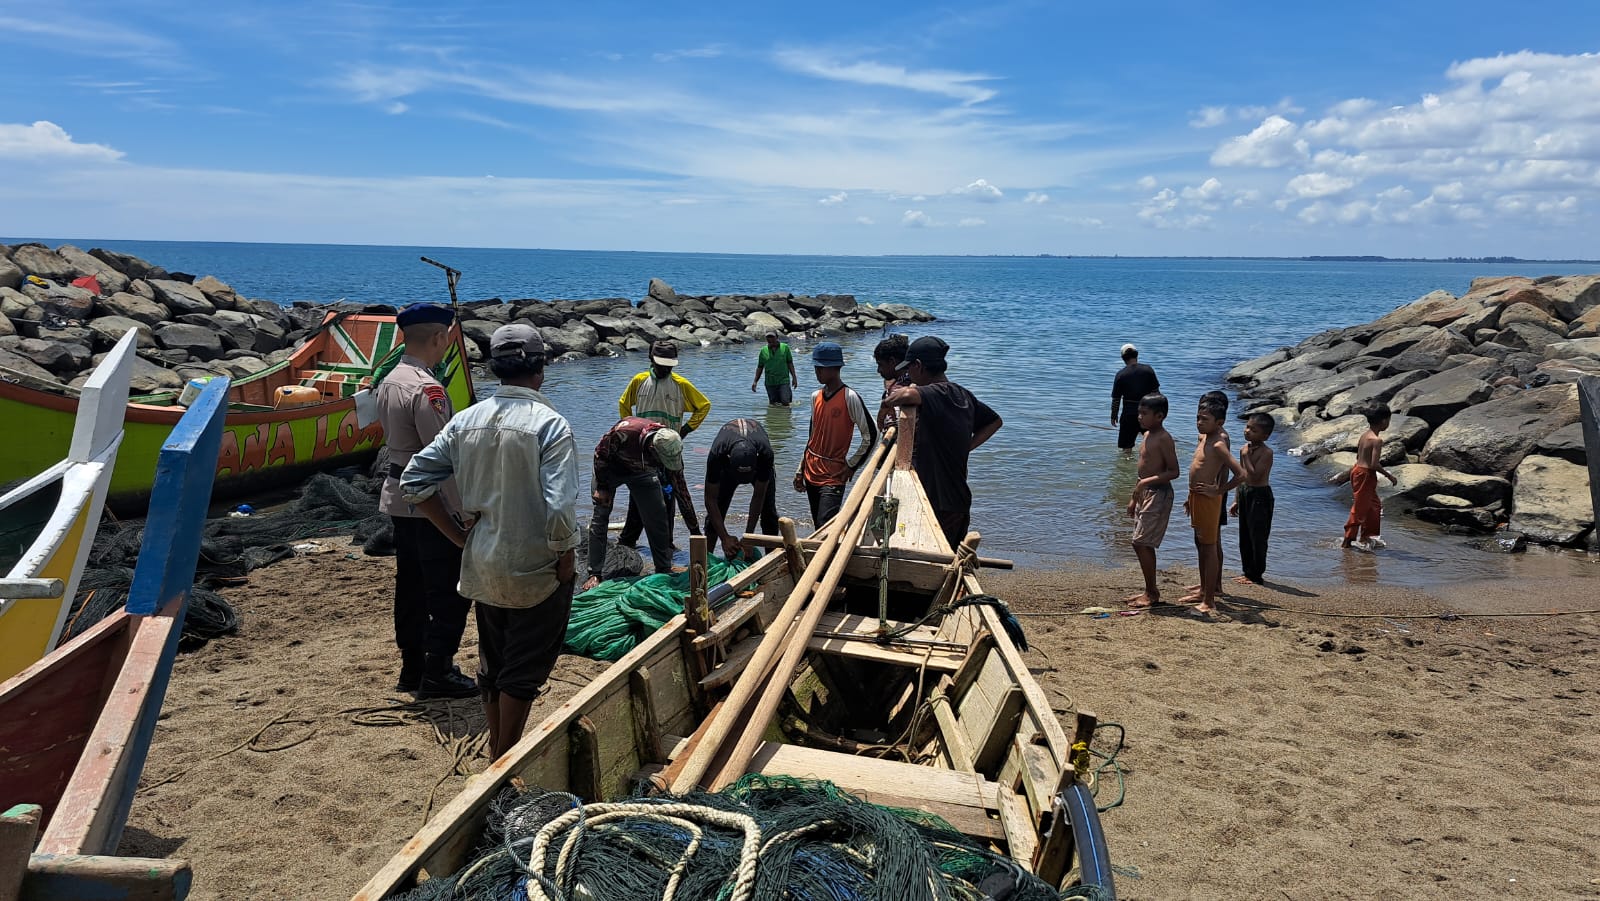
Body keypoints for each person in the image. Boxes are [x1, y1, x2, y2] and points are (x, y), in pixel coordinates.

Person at [399, 324, 580, 758]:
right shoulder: (551, 425)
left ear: (495, 369)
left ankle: (499, 754)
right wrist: (567, 556)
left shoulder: (465, 420)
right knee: (523, 670)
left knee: (492, 662)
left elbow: (414, 482)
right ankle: (504, 759)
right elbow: (559, 508)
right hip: (535, 564)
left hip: (481, 560)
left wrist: (458, 536)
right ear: (541, 368)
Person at [375, 302, 476, 699]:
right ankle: (438, 670)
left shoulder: (390, 379)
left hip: (398, 496)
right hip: (429, 501)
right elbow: (440, 458)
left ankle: (412, 668)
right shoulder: (427, 388)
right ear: (439, 337)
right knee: (448, 590)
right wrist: (462, 514)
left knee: (411, 586)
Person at [885, 336, 1002, 550]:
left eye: (909, 369)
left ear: (918, 366)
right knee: (949, 556)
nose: (907, 375)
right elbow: (994, 422)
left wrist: (887, 400)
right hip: (957, 500)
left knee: (931, 557)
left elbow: (906, 394)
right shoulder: (962, 395)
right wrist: (965, 446)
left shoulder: (936, 392)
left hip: (936, 501)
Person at [584, 418, 699, 588]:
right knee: (601, 514)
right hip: (611, 468)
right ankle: (594, 573)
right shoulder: (625, 432)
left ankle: (663, 568)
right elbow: (601, 453)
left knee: (658, 514)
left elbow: (681, 491)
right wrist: (602, 487)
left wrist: (695, 531)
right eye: (662, 462)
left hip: (642, 471)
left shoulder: (670, 445)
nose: (665, 466)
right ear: (652, 449)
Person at [617, 340, 710, 546]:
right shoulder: (639, 381)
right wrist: (631, 430)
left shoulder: (680, 385)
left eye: (668, 365)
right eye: (661, 365)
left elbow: (703, 406)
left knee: (673, 494)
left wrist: (685, 430)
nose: (665, 369)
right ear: (651, 360)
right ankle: (628, 540)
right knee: (640, 493)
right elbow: (624, 404)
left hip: (669, 448)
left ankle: (670, 541)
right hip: (644, 449)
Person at [795, 342, 878, 528]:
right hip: (811, 470)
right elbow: (812, 435)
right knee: (818, 524)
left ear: (835, 368)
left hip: (833, 473)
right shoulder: (815, 396)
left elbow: (871, 435)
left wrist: (852, 465)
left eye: (821, 368)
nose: (817, 372)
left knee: (827, 524)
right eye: (816, 368)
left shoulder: (849, 397)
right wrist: (800, 469)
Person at [1183, 398, 1245, 615]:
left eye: (1205, 419)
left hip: (1209, 500)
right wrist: (1189, 496)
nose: (1199, 422)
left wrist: (1218, 491)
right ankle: (1204, 590)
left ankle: (1210, 600)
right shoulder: (1205, 438)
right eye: (1198, 418)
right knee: (1201, 545)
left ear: (1219, 422)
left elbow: (1241, 474)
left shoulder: (1219, 443)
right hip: (1196, 497)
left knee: (1209, 548)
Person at [1125, 393, 1179, 609]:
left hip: (1159, 493)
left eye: (1144, 413)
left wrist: (1144, 483)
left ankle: (1152, 592)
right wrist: (1134, 497)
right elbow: (1142, 470)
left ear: (1160, 416)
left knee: (1141, 542)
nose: (1139, 417)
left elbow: (1174, 471)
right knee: (1138, 542)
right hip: (1144, 493)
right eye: (1139, 412)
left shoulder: (1164, 438)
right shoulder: (1147, 434)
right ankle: (1150, 589)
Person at [705, 418, 780, 559]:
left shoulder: (765, 454)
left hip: (758, 466)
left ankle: (772, 560)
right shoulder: (718, 454)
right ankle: (706, 560)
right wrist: (724, 537)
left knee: (769, 514)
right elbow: (710, 500)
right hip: (728, 470)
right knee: (715, 516)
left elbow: (759, 497)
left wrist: (748, 538)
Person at [1342, 404, 1397, 551]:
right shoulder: (1376, 440)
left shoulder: (1365, 435)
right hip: (1366, 474)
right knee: (1360, 508)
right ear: (1384, 421)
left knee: (1374, 506)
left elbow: (1359, 456)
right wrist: (1389, 476)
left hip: (1358, 471)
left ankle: (1366, 537)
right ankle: (1347, 541)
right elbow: (1373, 464)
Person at [1231, 412, 1276, 584]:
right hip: (1245, 492)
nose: (1247, 431)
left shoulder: (1266, 452)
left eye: (1253, 430)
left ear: (1265, 435)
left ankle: (1256, 574)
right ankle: (1247, 571)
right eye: (1247, 427)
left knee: (1258, 536)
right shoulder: (1245, 449)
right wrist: (1236, 499)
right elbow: (1242, 476)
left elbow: (1256, 475)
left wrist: (1245, 457)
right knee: (1245, 535)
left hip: (1260, 495)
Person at [1111, 344, 1160, 454]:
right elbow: (1157, 394)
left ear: (1123, 358)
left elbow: (1116, 399)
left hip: (1129, 414)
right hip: (1148, 413)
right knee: (1151, 443)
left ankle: (1125, 470)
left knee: (1126, 449)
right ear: (1136, 355)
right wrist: (1158, 414)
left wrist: (1114, 416)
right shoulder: (1148, 370)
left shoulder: (1120, 375)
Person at [873, 333, 911, 430]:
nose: (878, 370)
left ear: (892, 361)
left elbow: (895, 423)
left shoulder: (898, 390)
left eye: (880, 365)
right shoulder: (911, 378)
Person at [751, 333, 798, 405]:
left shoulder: (785, 347)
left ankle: (787, 416)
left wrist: (794, 377)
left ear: (777, 337)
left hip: (783, 380)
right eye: (768, 337)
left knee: (785, 402)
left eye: (772, 337)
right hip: (770, 382)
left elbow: (790, 363)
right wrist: (755, 382)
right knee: (774, 404)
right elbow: (760, 367)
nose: (770, 339)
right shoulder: (763, 350)